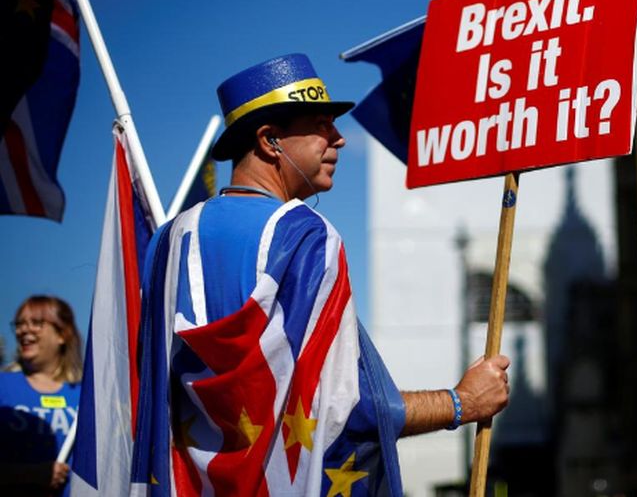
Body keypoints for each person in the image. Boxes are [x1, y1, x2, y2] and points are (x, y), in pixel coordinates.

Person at [131, 54, 510, 496]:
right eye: (320, 124)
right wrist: (462, 402)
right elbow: (343, 410)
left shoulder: (166, 240)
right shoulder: (305, 236)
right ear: (270, 140)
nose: (339, 139)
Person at [0, 296, 83, 496]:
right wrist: (29, 474)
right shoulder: (4, 386)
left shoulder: (86, 395)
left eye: (36, 323)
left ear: (63, 334)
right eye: (19, 324)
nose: (24, 330)